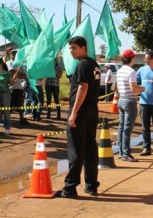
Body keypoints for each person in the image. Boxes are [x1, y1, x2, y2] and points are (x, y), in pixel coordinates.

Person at [59, 36, 101, 198]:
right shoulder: (94, 64)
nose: (71, 51)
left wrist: (74, 113)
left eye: (74, 48)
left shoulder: (83, 64)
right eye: (70, 48)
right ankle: (91, 185)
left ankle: (70, 187)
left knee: (76, 149)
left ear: (84, 48)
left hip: (82, 111)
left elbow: (83, 88)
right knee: (90, 148)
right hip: (92, 111)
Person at [116, 49, 145, 162]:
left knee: (121, 127)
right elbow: (134, 90)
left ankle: (121, 152)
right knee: (127, 129)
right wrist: (142, 89)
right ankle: (126, 153)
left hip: (121, 100)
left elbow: (118, 87)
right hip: (130, 102)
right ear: (132, 58)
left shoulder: (120, 71)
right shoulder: (131, 72)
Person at [6, 49, 28, 125]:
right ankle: (7, 121)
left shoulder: (20, 64)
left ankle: (22, 119)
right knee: (9, 105)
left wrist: (18, 74)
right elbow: (12, 72)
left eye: (15, 54)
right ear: (10, 55)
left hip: (19, 87)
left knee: (20, 105)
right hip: (11, 88)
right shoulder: (8, 63)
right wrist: (19, 73)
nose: (14, 55)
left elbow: (24, 75)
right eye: (13, 54)